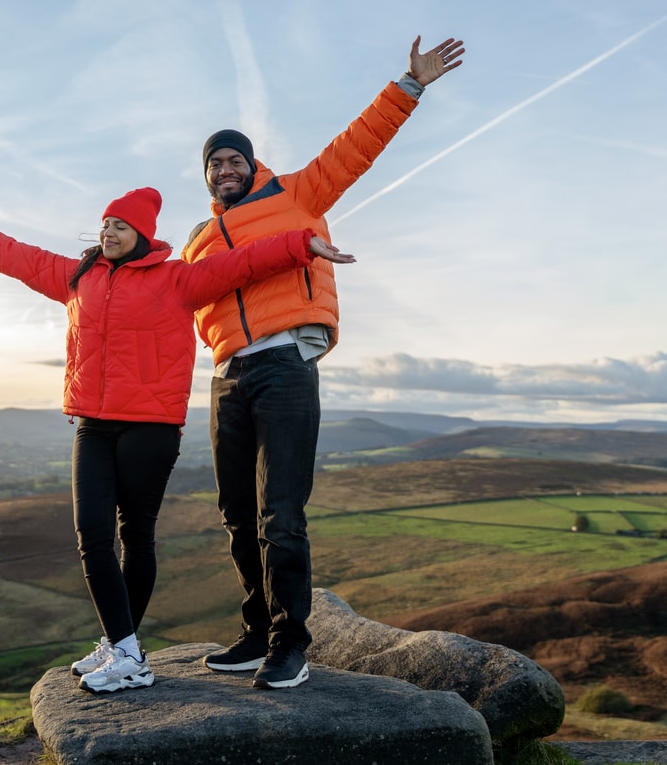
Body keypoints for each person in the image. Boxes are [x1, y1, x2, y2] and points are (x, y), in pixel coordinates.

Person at [0, 186, 355, 694]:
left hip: (150, 426)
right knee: (92, 534)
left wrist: (300, 243)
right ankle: (124, 646)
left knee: (135, 535)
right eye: (105, 225)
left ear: (142, 234)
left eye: (119, 225)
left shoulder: (176, 278)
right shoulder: (78, 276)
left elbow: (241, 265)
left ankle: (126, 652)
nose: (108, 232)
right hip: (91, 422)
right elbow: (21, 258)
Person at [182, 34, 465, 689]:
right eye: (213, 164)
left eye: (232, 159)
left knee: (280, 512)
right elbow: (178, 300)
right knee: (234, 514)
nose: (223, 169)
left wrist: (409, 85)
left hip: (284, 363)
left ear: (249, 164)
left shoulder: (297, 195)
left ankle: (290, 643)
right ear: (205, 176)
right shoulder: (198, 239)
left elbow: (355, 146)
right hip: (228, 377)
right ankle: (256, 632)